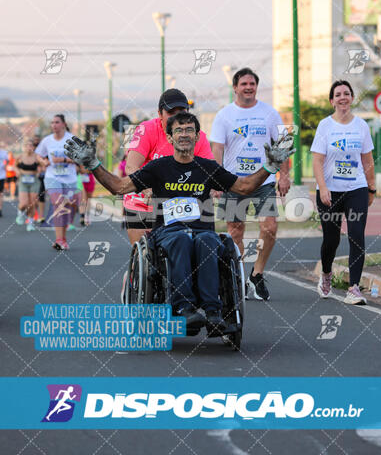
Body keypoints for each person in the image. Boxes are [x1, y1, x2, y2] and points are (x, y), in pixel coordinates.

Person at [65, 112, 294, 333]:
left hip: (202, 231)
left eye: (189, 130)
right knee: (181, 239)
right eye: (179, 130)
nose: (184, 134)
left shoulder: (208, 167)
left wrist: (271, 167)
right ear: (169, 137)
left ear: (196, 136)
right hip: (168, 233)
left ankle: (213, 312)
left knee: (206, 240)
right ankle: (183, 308)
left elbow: (244, 187)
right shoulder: (158, 168)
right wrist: (93, 163)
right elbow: (119, 186)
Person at [210, 67, 290, 301]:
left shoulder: (270, 113)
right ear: (235, 88)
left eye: (252, 84)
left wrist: (283, 176)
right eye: (243, 84)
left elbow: (283, 144)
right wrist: (216, 181)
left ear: (256, 87)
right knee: (235, 231)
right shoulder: (224, 115)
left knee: (270, 227)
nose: (248, 87)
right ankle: (239, 277)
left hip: (263, 180)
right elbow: (217, 149)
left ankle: (257, 273)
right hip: (233, 182)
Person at [311, 80, 375, 305]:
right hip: (330, 191)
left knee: (357, 236)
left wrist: (371, 187)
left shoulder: (361, 126)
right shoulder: (325, 126)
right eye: (338, 94)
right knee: (332, 239)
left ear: (351, 98)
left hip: (355, 189)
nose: (342, 97)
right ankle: (326, 274)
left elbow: (367, 159)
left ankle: (354, 288)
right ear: (332, 100)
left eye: (346, 93)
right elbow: (317, 160)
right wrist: (323, 188)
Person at [123, 88, 214, 246]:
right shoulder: (147, 129)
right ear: (160, 114)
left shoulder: (199, 136)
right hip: (144, 202)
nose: (177, 116)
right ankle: (134, 270)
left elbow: (210, 172)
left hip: (179, 203)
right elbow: (131, 167)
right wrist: (146, 189)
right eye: (171, 112)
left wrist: (213, 188)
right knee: (146, 256)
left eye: (182, 111)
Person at [35, 114, 79, 250]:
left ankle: (63, 238)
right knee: (58, 203)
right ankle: (59, 240)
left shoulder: (72, 139)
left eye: (57, 122)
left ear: (64, 124)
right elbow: (39, 155)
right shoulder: (47, 141)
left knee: (68, 207)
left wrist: (64, 160)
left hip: (70, 178)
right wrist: (44, 161)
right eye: (52, 122)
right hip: (52, 177)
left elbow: (81, 158)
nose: (54, 125)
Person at [15, 139, 42, 231]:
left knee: (32, 203)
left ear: (33, 147)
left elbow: (42, 165)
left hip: (34, 180)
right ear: (24, 147)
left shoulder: (36, 157)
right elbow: (15, 166)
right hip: (23, 180)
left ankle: (30, 223)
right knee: (23, 204)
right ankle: (20, 213)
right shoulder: (20, 157)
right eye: (27, 146)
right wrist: (17, 171)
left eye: (31, 146)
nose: (29, 148)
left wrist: (40, 170)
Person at [0, 146, 8, 217]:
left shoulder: (4, 152)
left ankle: (0, 209)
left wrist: (5, 165)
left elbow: (7, 160)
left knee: (0, 194)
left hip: (1, 176)